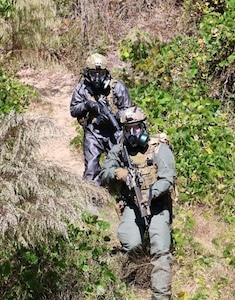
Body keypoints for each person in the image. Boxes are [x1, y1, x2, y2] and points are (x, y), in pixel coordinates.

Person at [99, 106, 176, 300]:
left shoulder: (159, 148)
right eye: (128, 129)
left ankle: (160, 295)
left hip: (158, 206)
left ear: (143, 127)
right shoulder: (119, 150)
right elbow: (104, 172)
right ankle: (138, 266)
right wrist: (119, 174)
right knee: (131, 243)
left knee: (160, 250)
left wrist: (150, 193)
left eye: (137, 128)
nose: (133, 133)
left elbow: (168, 179)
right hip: (132, 205)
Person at [70, 53, 132, 185]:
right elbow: (73, 110)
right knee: (91, 169)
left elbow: (129, 112)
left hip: (115, 131)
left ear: (106, 72)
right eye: (93, 74)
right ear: (87, 73)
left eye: (101, 73)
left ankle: (122, 194)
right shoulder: (82, 88)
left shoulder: (117, 87)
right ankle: (92, 198)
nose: (97, 78)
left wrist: (115, 116)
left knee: (122, 163)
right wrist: (87, 105)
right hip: (94, 132)